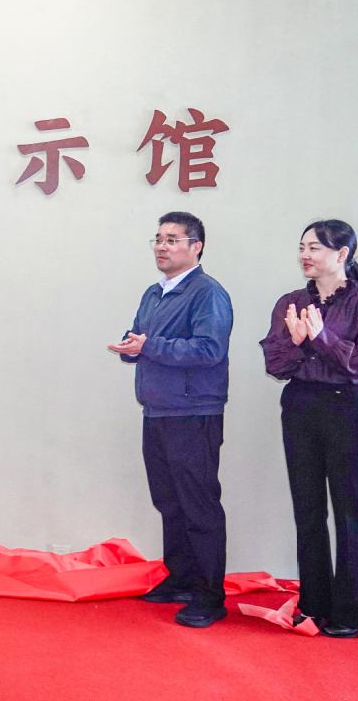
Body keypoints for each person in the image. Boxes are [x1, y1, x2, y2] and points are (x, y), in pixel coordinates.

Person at [259, 220, 358, 638]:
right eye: (302, 247)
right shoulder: (291, 302)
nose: (305, 255)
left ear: (342, 254)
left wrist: (322, 338)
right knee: (308, 510)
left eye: (314, 247)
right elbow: (275, 363)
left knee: (351, 509)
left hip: (349, 407)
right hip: (301, 405)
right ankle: (314, 605)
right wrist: (299, 342)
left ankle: (353, 612)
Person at [108, 211, 233, 628]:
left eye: (172, 240)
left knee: (199, 506)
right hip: (157, 410)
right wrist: (131, 347)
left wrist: (149, 346)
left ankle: (210, 596)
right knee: (169, 501)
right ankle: (181, 579)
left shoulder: (208, 293)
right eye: (158, 239)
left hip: (193, 412)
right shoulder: (154, 293)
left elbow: (208, 350)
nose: (162, 247)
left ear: (196, 247)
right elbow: (143, 339)